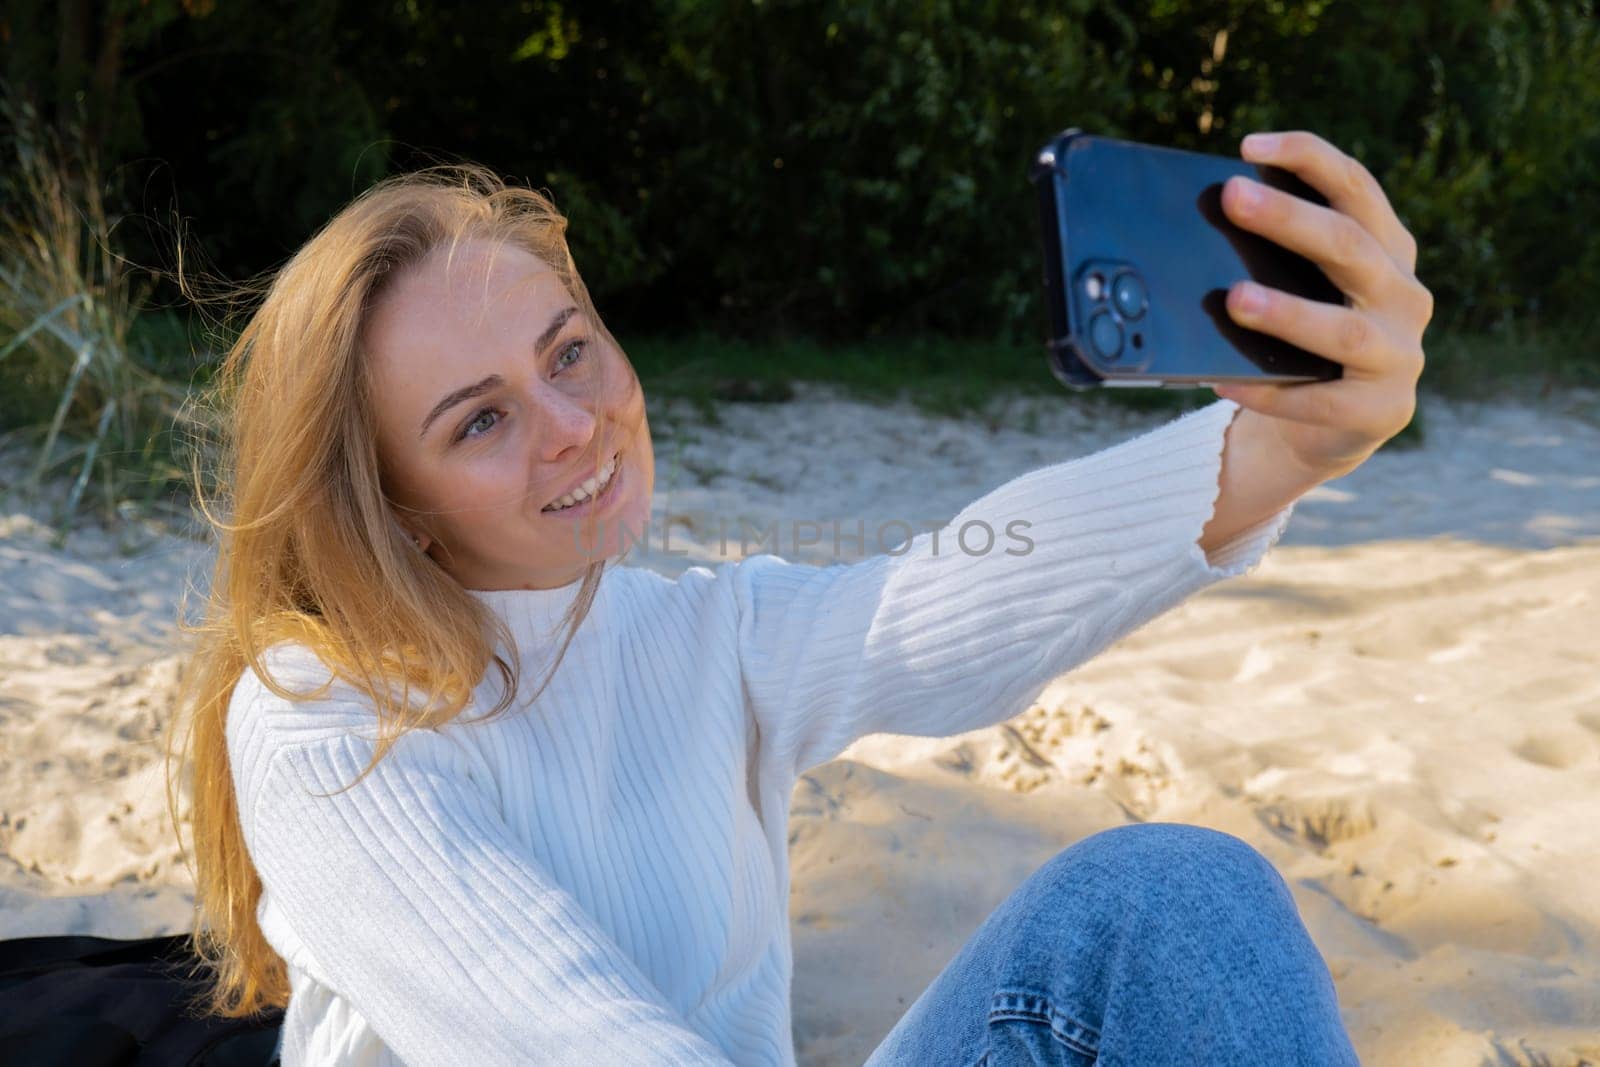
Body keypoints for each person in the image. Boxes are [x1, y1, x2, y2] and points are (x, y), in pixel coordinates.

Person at [165, 128, 1430, 1065]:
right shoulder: (318, 720)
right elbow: (568, 1034)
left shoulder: (697, 630)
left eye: (569, 351)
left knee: (1176, 896)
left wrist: (1284, 449)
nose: (574, 423)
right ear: (387, 507)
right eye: (482, 419)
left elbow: (945, 593)